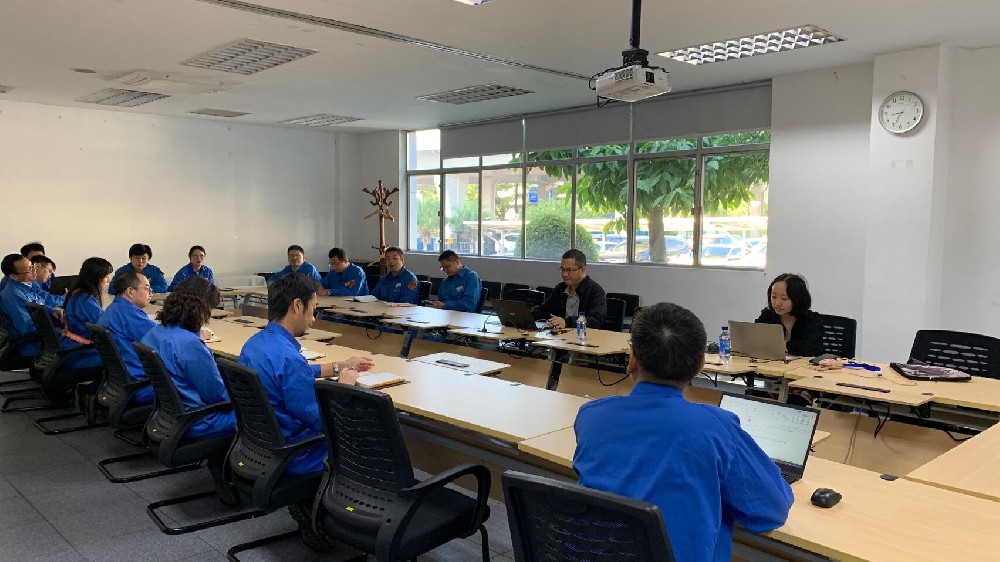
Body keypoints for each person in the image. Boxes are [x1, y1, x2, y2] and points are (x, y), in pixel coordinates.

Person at [573, 303, 794, 562]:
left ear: (632, 359)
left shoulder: (591, 416)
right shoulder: (715, 427)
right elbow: (770, 512)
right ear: (700, 365)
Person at [238, 273, 375, 476]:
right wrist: (343, 387)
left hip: (260, 445)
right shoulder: (289, 359)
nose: (313, 318)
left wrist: (339, 366)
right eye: (313, 309)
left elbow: (287, 375)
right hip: (295, 453)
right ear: (297, 306)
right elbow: (322, 420)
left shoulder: (254, 343)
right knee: (367, 429)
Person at [141, 277, 238, 504]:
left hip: (170, 416)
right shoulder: (189, 345)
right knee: (264, 413)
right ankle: (236, 473)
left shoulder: (156, 333)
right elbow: (218, 396)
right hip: (199, 421)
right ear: (200, 308)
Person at [97, 271, 157, 405]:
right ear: (130, 292)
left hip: (120, 384)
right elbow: (164, 340)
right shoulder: (129, 314)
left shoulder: (114, 309)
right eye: (147, 288)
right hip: (142, 385)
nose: (151, 293)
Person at [0, 253, 63, 357]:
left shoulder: (27, 285)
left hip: (44, 335)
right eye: (29, 269)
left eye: (33, 266)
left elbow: (38, 304)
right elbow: (27, 328)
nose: (35, 270)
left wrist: (52, 311)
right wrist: (60, 330)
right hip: (34, 343)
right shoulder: (13, 295)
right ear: (14, 276)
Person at [60, 257, 114, 371]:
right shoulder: (86, 300)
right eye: (106, 276)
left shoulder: (78, 294)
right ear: (96, 278)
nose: (108, 280)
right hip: (80, 352)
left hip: (71, 347)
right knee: (124, 356)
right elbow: (105, 328)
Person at [532, 249, 607, 329]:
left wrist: (567, 322)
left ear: (582, 270)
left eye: (569, 270)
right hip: (560, 334)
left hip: (584, 334)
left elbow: (596, 320)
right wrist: (527, 315)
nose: (565, 274)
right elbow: (544, 310)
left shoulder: (595, 291)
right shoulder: (560, 288)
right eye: (562, 270)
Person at [754, 273, 824, 357]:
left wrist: (782, 348)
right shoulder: (767, 316)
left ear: (797, 299)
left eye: (784, 299)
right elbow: (754, 339)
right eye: (774, 297)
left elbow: (806, 348)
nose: (777, 303)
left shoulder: (812, 320)